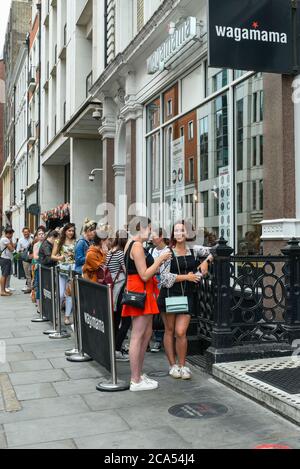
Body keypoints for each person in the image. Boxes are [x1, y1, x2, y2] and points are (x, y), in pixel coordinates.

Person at [158, 221, 215, 380]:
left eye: (182, 230)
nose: (179, 233)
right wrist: (187, 277)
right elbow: (164, 279)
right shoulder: (167, 252)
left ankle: (183, 365)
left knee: (181, 332)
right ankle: (172, 365)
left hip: (187, 295)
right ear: (173, 234)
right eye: (176, 231)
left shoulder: (195, 250)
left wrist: (206, 261)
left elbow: (217, 250)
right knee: (169, 331)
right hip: (169, 295)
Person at [122, 217, 172, 392]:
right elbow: (144, 275)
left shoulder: (133, 244)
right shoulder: (136, 246)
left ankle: (138, 375)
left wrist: (158, 263)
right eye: (149, 229)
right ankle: (135, 379)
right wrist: (160, 259)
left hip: (143, 290)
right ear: (141, 228)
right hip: (140, 291)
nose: (151, 233)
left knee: (145, 333)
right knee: (138, 334)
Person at [105, 230, 130, 362]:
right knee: (125, 320)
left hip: (112, 288)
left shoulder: (110, 252)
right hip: (120, 287)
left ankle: (113, 346)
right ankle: (117, 349)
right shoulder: (120, 253)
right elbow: (126, 270)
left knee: (115, 319)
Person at [148, 228, 169, 353]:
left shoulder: (168, 251)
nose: (151, 238)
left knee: (162, 312)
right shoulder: (151, 250)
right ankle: (156, 338)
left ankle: (161, 339)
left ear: (161, 237)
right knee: (154, 312)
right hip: (152, 284)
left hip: (163, 284)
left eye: (154, 236)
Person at [51, 223, 76, 326]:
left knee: (69, 294)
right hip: (62, 270)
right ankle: (56, 315)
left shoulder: (76, 242)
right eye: (69, 230)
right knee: (61, 294)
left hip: (72, 269)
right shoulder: (58, 241)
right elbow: (52, 256)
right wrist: (59, 258)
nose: (71, 232)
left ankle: (67, 317)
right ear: (65, 231)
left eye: (72, 231)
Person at [32, 227, 46, 313]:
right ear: (37, 236)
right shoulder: (36, 245)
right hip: (38, 267)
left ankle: (45, 304)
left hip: (46, 267)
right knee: (38, 286)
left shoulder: (47, 244)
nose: (41, 235)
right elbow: (35, 256)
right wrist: (44, 257)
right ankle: (38, 306)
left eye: (42, 234)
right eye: (39, 234)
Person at [17, 227, 34, 294]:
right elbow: (18, 250)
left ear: (29, 232)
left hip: (33, 258)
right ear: (23, 233)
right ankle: (29, 288)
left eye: (27, 232)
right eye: (24, 232)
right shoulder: (20, 240)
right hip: (25, 259)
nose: (26, 233)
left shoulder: (32, 238)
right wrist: (22, 250)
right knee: (27, 274)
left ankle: (34, 288)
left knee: (33, 273)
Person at [0, 228, 16, 297]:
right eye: (12, 234)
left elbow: (12, 247)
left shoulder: (6, 239)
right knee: (4, 275)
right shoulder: (5, 239)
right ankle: (2, 291)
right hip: (5, 259)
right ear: (9, 233)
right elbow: (12, 249)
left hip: (6, 259)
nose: (12, 235)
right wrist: (11, 242)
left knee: (6, 275)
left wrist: (11, 241)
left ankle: (4, 290)